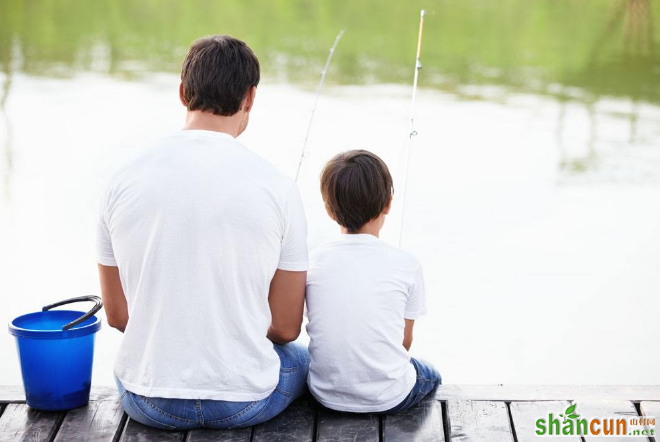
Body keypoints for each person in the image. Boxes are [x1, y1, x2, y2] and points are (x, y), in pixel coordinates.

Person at [96, 35, 310, 430]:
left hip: (147, 399)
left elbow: (119, 315)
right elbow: (284, 328)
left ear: (182, 92)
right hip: (244, 402)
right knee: (302, 359)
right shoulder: (278, 187)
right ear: (250, 97)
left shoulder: (121, 180)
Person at [305, 150, 441, 413]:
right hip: (389, 398)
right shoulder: (407, 264)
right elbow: (403, 342)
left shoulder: (312, 261)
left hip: (324, 395)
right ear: (388, 204)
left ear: (329, 210)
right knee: (430, 373)